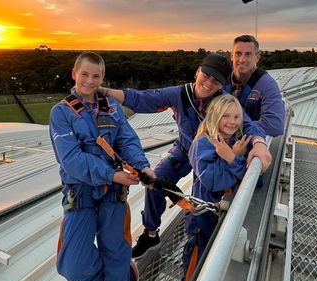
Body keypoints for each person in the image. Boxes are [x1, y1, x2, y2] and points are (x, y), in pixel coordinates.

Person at [99, 53, 271, 260]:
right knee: (155, 180)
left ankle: (201, 240)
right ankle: (151, 233)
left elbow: (248, 123)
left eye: (215, 81)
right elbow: (144, 99)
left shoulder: (223, 102)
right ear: (198, 71)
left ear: (221, 85)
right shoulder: (179, 94)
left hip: (210, 153)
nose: (208, 83)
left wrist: (259, 144)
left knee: (202, 196)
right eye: (205, 75)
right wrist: (106, 91)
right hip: (184, 149)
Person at [49, 52, 155, 281]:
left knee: (115, 256)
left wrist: (143, 168)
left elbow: (128, 141)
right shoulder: (61, 113)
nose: (89, 80)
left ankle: (119, 275)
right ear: (74, 74)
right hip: (81, 195)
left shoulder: (112, 108)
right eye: (84, 74)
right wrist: (111, 175)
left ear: (102, 78)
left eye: (96, 76)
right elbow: (71, 159)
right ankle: (121, 270)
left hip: (113, 195)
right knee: (73, 268)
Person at [180, 94, 250, 281]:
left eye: (237, 117)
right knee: (194, 272)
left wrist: (233, 159)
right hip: (202, 221)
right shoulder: (202, 143)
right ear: (214, 116)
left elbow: (246, 177)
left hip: (221, 216)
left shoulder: (235, 141)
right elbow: (213, 181)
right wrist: (234, 158)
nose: (232, 122)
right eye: (226, 116)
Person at [224, 35, 285, 136]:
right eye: (238, 54)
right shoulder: (222, 81)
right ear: (231, 56)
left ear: (257, 57)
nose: (242, 59)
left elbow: (274, 126)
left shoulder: (267, 84)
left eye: (248, 54)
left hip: (252, 144)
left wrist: (232, 126)